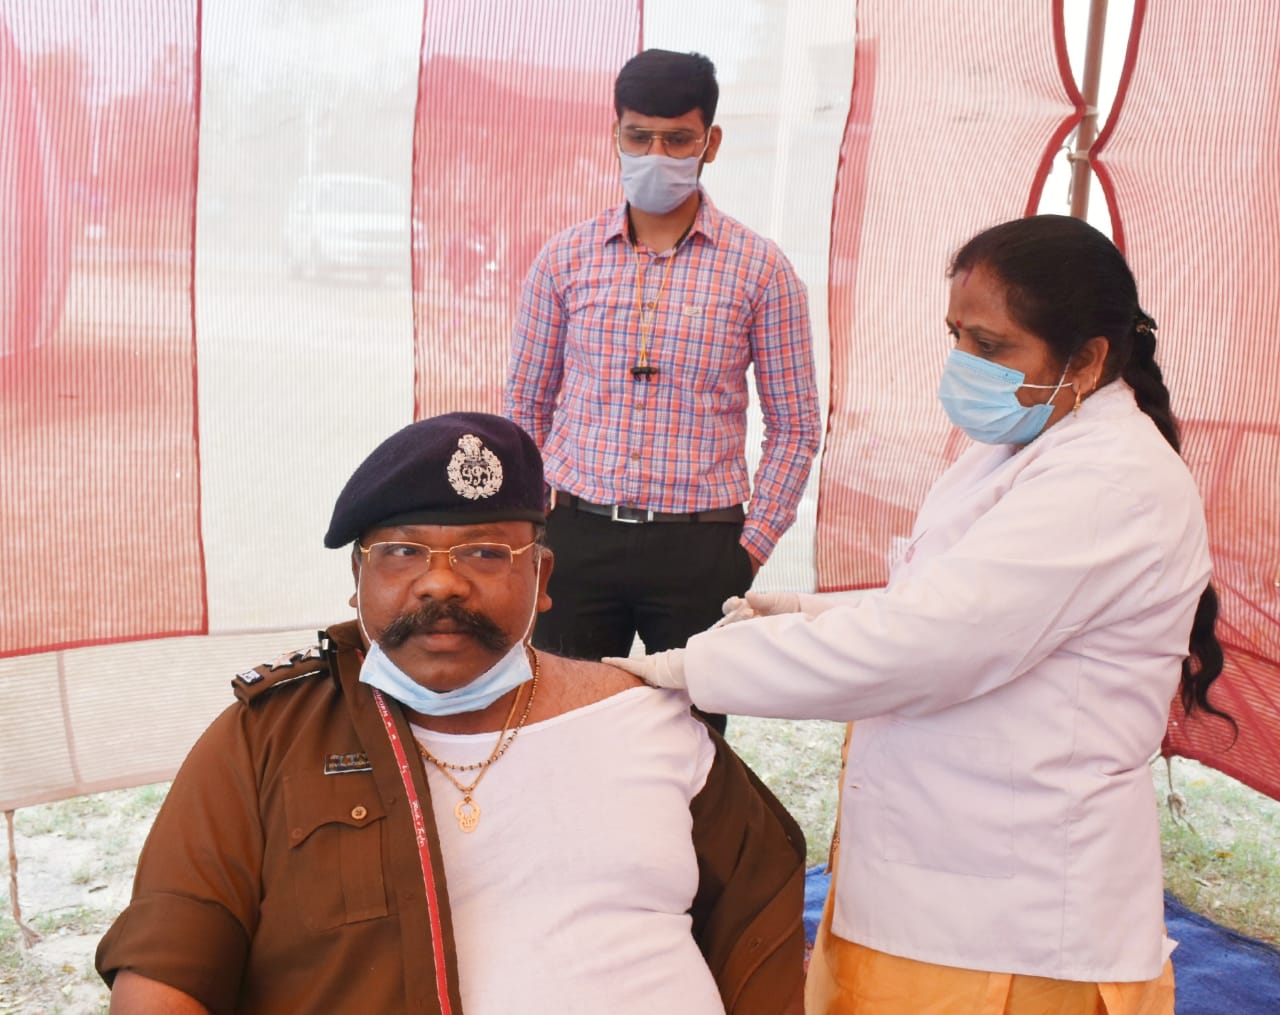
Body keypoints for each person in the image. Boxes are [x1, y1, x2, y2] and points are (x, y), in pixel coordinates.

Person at [610, 215, 1235, 1014]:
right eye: (956, 336)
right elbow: (950, 602)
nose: (962, 363)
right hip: (936, 892)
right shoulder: (1021, 445)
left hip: (1007, 927)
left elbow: (927, 644)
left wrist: (688, 667)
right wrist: (803, 611)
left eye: (990, 344)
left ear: (1085, 359)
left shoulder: (1109, 481)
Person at [95, 412, 806, 1014]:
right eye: (403, 551)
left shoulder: (649, 721)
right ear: (358, 579)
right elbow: (165, 972)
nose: (441, 582)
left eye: (486, 552)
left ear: (542, 576)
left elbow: (765, 937)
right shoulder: (267, 738)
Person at [504, 49, 822, 733]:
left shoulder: (761, 270)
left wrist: (750, 548)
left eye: (677, 139)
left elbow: (796, 426)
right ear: (615, 135)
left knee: (692, 740)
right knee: (563, 728)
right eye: (639, 136)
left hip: (702, 548)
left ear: (711, 142)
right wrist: (536, 522)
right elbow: (525, 404)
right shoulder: (565, 258)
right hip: (576, 536)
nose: (657, 155)